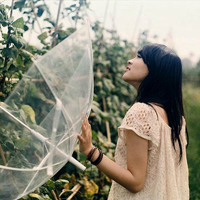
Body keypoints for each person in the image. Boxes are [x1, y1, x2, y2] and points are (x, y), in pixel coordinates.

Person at [77, 43, 190, 200]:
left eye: (139, 57)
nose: (130, 61)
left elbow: (135, 182)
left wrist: (90, 151)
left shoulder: (141, 112)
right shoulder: (176, 119)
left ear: (155, 71)